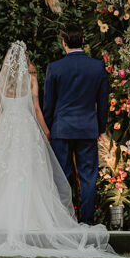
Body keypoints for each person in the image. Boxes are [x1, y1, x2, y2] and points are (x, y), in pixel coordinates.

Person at [0, 41, 122, 258]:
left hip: (5, 128)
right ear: (25, 61)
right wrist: (46, 133)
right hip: (26, 129)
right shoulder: (31, 81)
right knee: (28, 173)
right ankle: (30, 217)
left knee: (0, 174)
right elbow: (38, 110)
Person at [43, 24, 111, 226]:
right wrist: (100, 128)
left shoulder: (55, 68)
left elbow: (49, 104)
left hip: (61, 129)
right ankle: (87, 222)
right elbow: (103, 103)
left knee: (60, 177)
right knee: (88, 177)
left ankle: (62, 221)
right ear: (83, 42)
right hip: (87, 128)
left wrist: (47, 128)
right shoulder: (97, 67)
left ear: (64, 43)